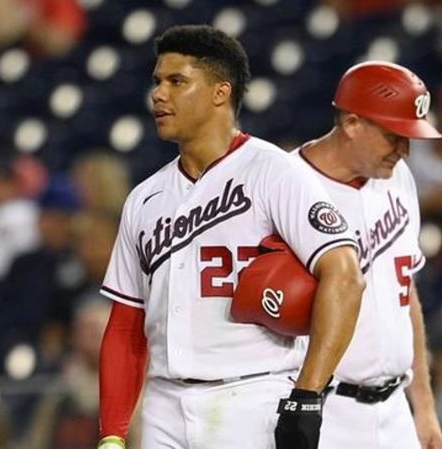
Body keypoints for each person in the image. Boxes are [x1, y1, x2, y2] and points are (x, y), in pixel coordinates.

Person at [95, 25, 364, 449]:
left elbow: (345, 276)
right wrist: (112, 432)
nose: (158, 94)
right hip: (163, 403)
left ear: (221, 92)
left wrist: (308, 394)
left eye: (177, 81)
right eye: (157, 81)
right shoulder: (144, 199)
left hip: (252, 395)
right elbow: (127, 323)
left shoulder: (274, 172)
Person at [294, 61, 442, 449]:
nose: (404, 151)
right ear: (352, 123)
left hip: (396, 411)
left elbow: (403, 292)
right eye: (394, 136)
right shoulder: (286, 186)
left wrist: (424, 407)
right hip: (325, 413)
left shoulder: (398, 178)